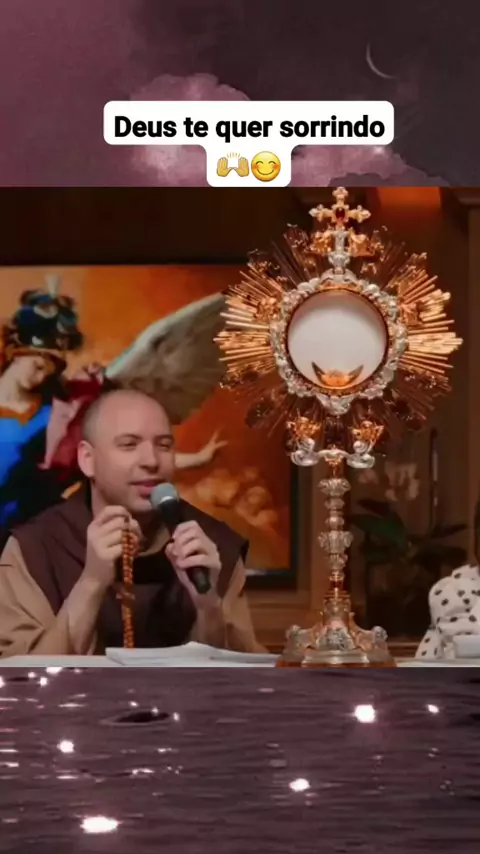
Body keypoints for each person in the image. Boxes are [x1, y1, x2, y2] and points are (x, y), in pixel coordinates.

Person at [0, 388, 265, 657]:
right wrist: (91, 583)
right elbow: (19, 677)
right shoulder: (34, 548)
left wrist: (209, 606)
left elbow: (241, 675)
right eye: (129, 445)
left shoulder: (212, 545)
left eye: (164, 446)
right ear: (87, 459)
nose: (151, 461)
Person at [0, 278, 227, 537]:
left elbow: (114, 457)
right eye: (38, 366)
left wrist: (198, 459)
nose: (41, 377)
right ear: (17, 353)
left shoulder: (61, 417)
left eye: (48, 371)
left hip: (29, 535)